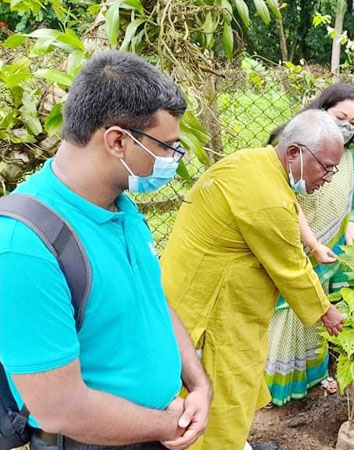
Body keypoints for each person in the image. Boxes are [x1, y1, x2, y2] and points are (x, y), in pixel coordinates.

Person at [0, 51, 211, 449]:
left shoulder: (120, 205)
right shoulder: (23, 248)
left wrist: (197, 385)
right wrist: (168, 426)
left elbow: (153, 300)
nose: (172, 161)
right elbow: (59, 408)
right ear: (117, 140)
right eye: (167, 147)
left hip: (157, 426)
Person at [159, 109, 346, 450]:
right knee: (219, 389)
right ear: (294, 153)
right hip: (211, 309)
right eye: (326, 167)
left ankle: (234, 442)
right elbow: (289, 264)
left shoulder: (259, 164)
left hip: (211, 294)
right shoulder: (266, 196)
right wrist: (326, 310)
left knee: (232, 381)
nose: (329, 177)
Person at [264, 82, 354, 406]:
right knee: (288, 314)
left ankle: (313, 376)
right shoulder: (293, 153)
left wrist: (351, 224)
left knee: (320, 314)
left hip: (331, 250)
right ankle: (273, 386)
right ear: (321, 111)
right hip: (294, 244)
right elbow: (287, 202)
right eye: (341, 117)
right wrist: (309, 241)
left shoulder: (348, 160)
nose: (347, 127)